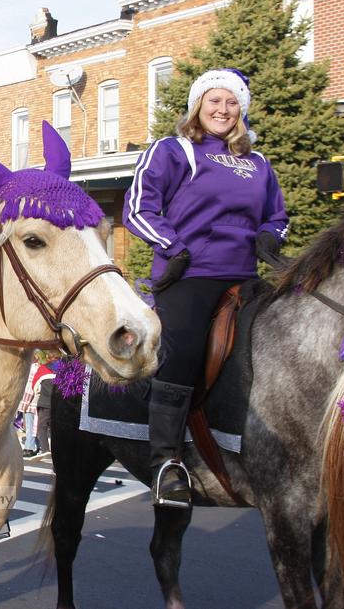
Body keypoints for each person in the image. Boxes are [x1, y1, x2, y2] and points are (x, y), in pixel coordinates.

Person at [124, 68, 288, 509]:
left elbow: (277, 215)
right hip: (191, 273)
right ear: (198, 106)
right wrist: (171, 246)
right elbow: (138, 207)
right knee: (184, 351)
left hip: (244, 277)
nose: (223, 109)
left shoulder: (258, 163)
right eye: (214, 101)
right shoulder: (174, 150)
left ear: (241, 111)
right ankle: (166, 463)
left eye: (232, 102)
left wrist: (271, 236)